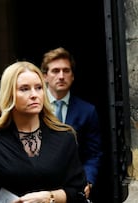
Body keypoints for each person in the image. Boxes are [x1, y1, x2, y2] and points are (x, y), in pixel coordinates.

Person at [0, 61, 87, 202]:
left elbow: (78, 190)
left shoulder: (64, 136)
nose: (34, 95)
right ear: (9, 94)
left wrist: (49, 197)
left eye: (39, 87)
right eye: (24, 89)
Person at [41, 47, 102, 198]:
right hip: (39, 186)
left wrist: (88, 180)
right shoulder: (35, 106)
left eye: (66, 70)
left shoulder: (87, 111)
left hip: (73, 186)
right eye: (55, 71)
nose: (61, 76)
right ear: (44, 76)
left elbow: (93, 153)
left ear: (73, 76)